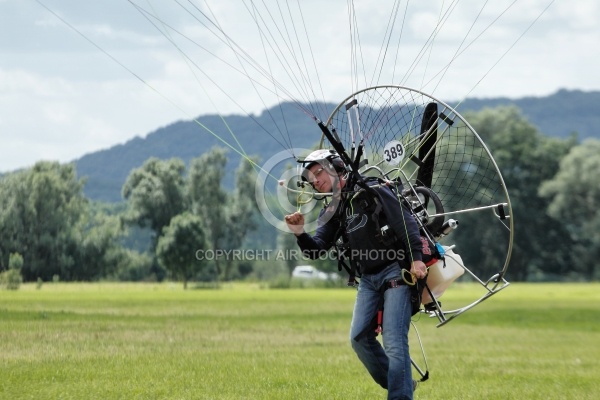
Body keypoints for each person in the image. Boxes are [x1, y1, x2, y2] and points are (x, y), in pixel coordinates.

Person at [284, 149, 428, 400]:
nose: (315, 180)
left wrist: (416, 259)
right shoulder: (332, 210)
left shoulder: (372, 189)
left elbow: (404, 221)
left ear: (337, 167)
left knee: (394, 342)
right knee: (359, 338)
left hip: (396, 271)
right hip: (368, 281)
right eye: (311, 178)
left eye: (318, 172)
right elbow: (317, 249)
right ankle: (402, 383)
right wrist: (299, 233)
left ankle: (400, 393)